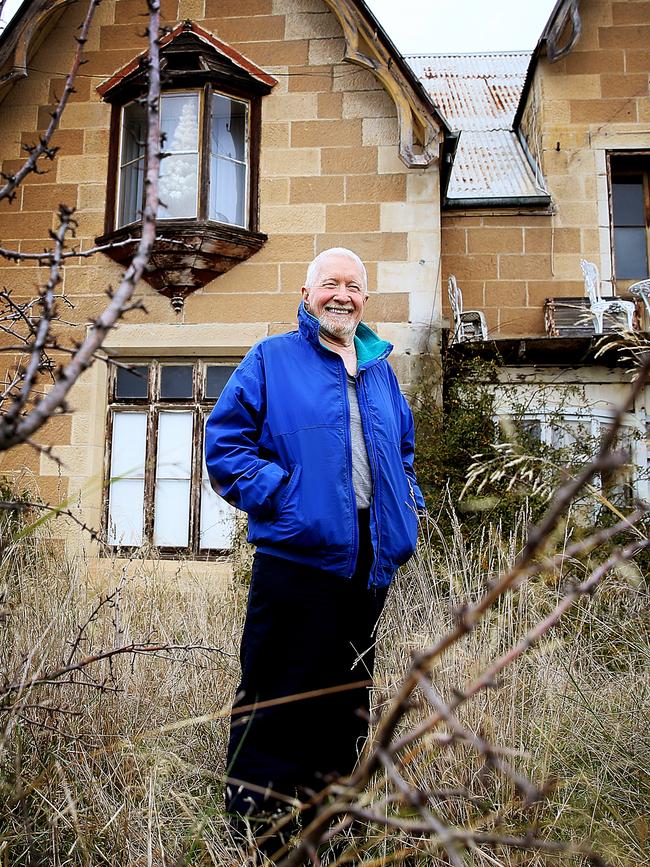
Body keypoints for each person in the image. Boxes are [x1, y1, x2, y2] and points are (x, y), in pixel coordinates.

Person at [205, 247, 424, 849]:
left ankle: (325, 822)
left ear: (365, 300)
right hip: (296, 560)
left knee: (345, 698)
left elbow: (403, 452)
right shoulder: (271, 360)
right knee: (278, 693)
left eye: (353, 286)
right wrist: (286, 498)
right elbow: (225, 449)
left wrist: (409, 502)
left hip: (368, 565)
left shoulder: (380, 369)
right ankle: (259, 832)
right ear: (307, 295)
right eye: (330, 284)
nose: (342, 296)